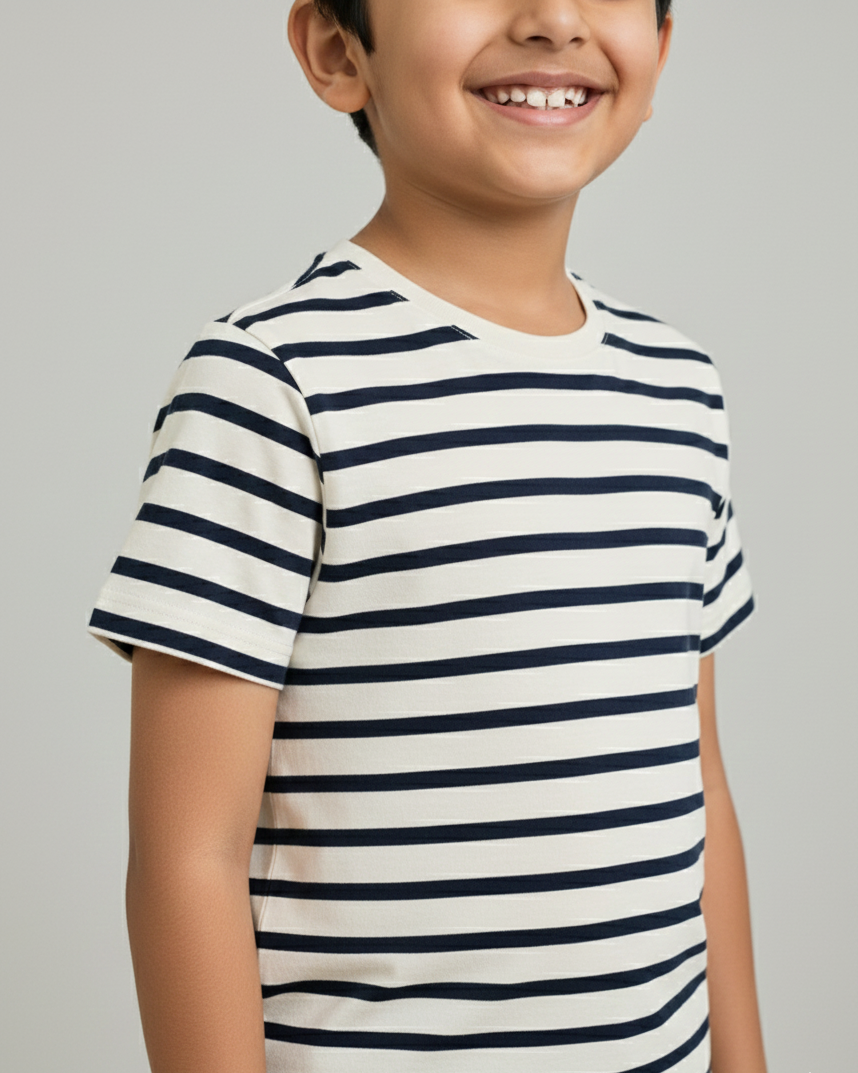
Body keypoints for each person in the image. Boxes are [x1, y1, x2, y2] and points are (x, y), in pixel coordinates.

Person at [87, 1, 768, 1070]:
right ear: (335, 50)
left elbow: (700, 782)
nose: (552, 20)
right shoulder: (273, 381)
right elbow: (187, 855)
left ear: (663, 46)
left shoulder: (680, 387)